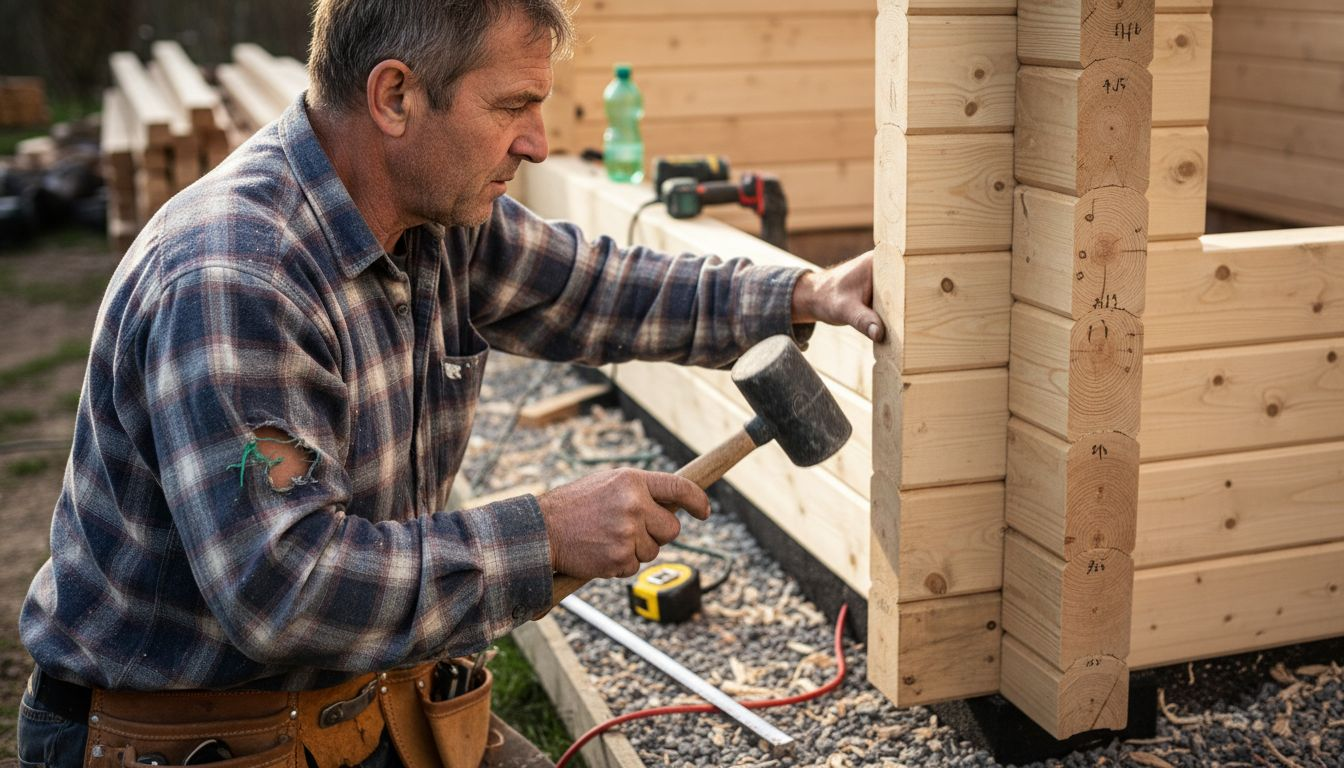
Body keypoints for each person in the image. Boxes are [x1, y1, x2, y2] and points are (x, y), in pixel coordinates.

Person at [17, 0, 884, 765]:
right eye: (512, 105)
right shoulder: (238, 277)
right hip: (189, 738)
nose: (537, 142)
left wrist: (804, 293)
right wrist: (545, 534)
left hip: (345, 701)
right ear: (395, 96)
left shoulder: (435, 215)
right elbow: (284, 590)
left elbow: (596, 289)